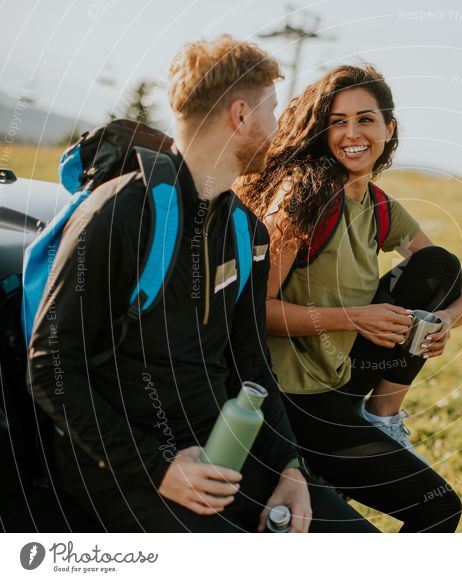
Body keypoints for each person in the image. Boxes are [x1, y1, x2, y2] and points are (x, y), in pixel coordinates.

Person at [26, 35, 375, 533]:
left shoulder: (246, 231)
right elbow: (50, 364)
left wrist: (291, 469)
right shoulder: (123, 212)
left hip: (225, 446)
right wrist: (159, 468)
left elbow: (251, 364)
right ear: (240, 115)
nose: (278, 128)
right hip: (127, 469)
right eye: (271, 112)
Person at [236, 65, 462, 532]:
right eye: (337, 121)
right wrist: (353, 318)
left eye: (365, 119)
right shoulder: (301, 196)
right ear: (319, 130)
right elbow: (253, 313)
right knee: (438, 509)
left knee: (439, 265)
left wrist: (446, 319)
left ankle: (382, 416)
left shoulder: (378, 203)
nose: (352, 133)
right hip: (291, 395)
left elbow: (457, 285)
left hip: (342, 378)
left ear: (388, 128)